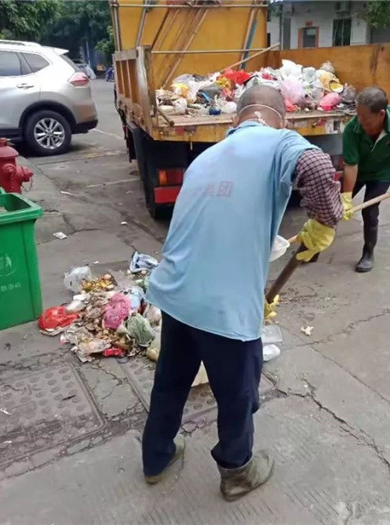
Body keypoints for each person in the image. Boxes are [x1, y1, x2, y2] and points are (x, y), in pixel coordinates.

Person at [141, 85, 342, 501]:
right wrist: (326, 221)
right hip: (222, 307)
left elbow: (218, 222)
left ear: (236, 119)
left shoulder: (206, 158)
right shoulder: (279, 141)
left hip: (176, 293)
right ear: (279, 118)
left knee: (171, 381)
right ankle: (236, 471)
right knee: (237, 394)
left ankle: (155, 457)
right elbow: (321, 171)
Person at [340, 86, 390, 273]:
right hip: (359, 170)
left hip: (382, 173)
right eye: (358, 115)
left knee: (370, 210)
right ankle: (314, 246)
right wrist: (345, 198)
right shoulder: (353, 128)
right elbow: (351, 166)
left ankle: (368, 253)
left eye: (366, 119)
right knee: (332, 205)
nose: (360, 122)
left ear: (381, 114)